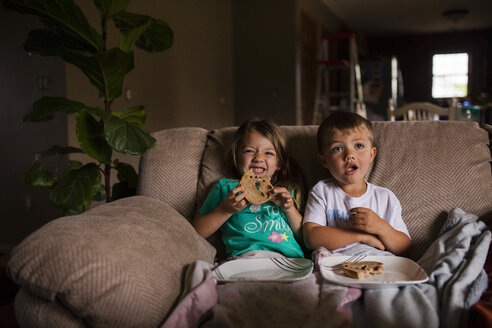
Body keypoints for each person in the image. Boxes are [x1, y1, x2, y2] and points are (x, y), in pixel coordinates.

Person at [192, 118, 305, 258]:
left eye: (268, 153)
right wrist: (226, 209)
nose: (258, 158)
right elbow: (196, 231)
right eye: (249, 150)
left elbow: (305, 238)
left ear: (279, 163)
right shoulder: (225, 188)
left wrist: (289, 209)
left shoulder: (287, 191)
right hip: (246, 259)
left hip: (288, 260)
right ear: (236, 157)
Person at [303, 111, 411, 255]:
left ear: (372, 154)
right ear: (324, 161)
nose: (349, 155)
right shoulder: (322, 191)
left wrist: (381, 227)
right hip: (336, 264)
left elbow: (404, 248)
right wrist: (362, 237)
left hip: (376, 262)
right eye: (338, 148)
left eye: (359, 146)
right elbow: (311, 238)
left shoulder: (385, 197)